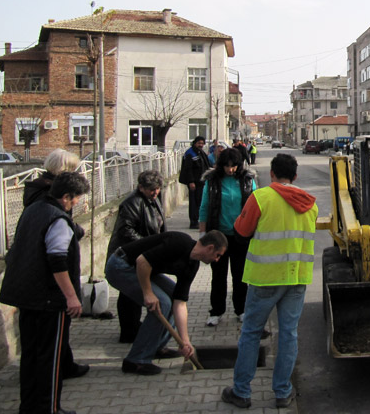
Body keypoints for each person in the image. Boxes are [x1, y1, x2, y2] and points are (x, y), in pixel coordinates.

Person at [221, 153, 318, 410]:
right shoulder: (310, 203)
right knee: (288, 334)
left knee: (251, 333)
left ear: (272, 174)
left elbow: (241, 230)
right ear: (295, 176)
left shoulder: (261, 197)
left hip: (265, 279)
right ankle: (283, 392)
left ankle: (241, 392)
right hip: (296, 279)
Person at [0, 172, 90, 414]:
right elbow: (57, 260)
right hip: (48, 299)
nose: (79, 203)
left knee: (30, 355)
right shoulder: (57, 219)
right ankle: (48, 408)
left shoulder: (33, 209)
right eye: (78, 198)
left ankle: (29, 407)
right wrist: (71, 296)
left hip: (25, 294)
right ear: (67, 197)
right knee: (50, 358)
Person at [104, 230, 228, 375]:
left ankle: (155, 347)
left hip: (143, 269)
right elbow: (142, 261)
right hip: (120, 265)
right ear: (210, 248)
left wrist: (185, 341)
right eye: (218, 255)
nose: (217, 259)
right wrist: (148, 293)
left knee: (171, 295)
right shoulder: (179, 243)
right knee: (163, 303)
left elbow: (180, 303)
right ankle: (136, 360)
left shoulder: (192, 265)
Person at [21, 149, 89, 381]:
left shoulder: (38, 190)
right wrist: (71, 295)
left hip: (33, 281)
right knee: (49, 338)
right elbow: (56, 255)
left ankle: (62, 366)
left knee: (43, 340)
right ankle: (55, 374)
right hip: (47, 286)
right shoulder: (49, 195)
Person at [106, 170, 167, 344]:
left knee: (134, 293)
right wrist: (147, 245)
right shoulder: (132, 203)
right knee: (129, 294)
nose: (155, 192)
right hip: (128, 255)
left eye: (157, 189)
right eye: (151, 189)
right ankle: (128, 330)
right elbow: (126, 230)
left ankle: (133, 326)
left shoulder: (153, 201)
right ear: (141, 188)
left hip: (143, 254)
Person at [199, 148, 257, 327]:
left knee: (240, 275)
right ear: (220, 165)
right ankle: (216, 311)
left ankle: (241, 310)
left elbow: (256, 205)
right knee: (218, 276)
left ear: (239, 165)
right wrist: (202, 235)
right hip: (218, 236)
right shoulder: (212, 182)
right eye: (227, 166)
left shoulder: (247, 181)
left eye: (233, 166)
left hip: (241, 236)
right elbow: (204, 207)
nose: (230, 170)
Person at [179, 136, 210, 229]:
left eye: (202, 143)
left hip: (201, 182)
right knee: (194, 203)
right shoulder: (190, 153)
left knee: (200, 202)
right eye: (199, 143)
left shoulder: (200, 152)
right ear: (195, 143)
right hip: (194, 183)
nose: (201, 145)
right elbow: (188, 169)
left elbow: (206, 165)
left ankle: (199, 220)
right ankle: (193, 222)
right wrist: (191, 182)